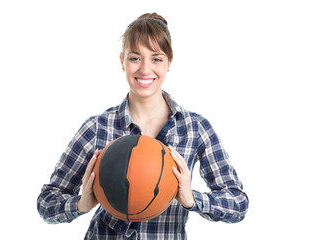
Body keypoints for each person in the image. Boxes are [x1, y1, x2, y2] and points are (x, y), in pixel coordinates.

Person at [37, 13, 249, 239]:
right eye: (135, 58)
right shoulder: (97, 128)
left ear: (169, 62)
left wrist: (191, 199)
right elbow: (47, 202)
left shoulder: (195, 128)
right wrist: (81, 204)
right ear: (122, 61)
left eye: (156, 59)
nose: (145, 70)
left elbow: (237, 203)